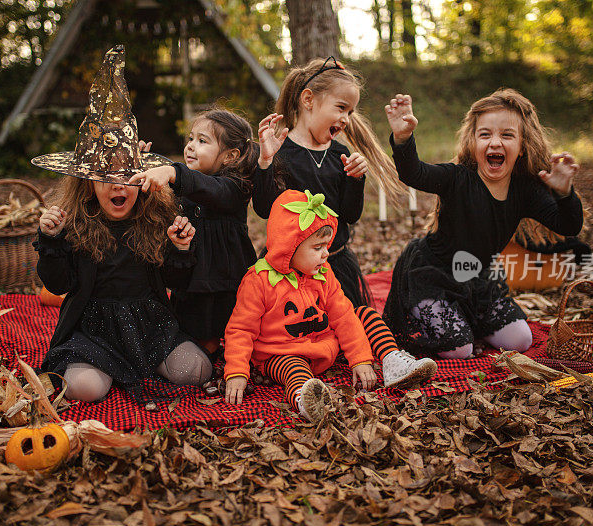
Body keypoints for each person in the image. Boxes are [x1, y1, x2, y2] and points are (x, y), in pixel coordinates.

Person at [30, 44, 213, 402]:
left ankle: (137, 365)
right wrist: (50, 240)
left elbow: (176, 281)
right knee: (86, 389)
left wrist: (180, 248)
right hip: (95, 327)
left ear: (142, 179)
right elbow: (59, 283)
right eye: (105, 177)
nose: (117, 185)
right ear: (87, 184)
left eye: (127, 176)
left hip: (149, 322)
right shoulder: (77, 224)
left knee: (197, 370)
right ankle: (101, 369)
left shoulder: (156, 218)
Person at [383, 89, 584, 359]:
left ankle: (466, 322)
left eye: (507, 135)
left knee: (520, 340)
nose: (495, 142)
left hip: (476, 276)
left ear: (522, 146)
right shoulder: (457, 178)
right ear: (473, 142)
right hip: (433, 273)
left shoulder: (525, 190)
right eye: (485, 134)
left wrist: (564, 193)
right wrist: (403, 137)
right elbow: (414, 173)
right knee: (460, 350)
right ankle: (438, 317)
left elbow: (568, 226)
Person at [223, 190, 437, 422]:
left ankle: (392, 360)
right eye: (317, 248)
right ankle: (305, 398)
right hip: (280, 353)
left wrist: (360, 358)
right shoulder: (258, 281)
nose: (326, 254)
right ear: (288, 247)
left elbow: (343, 315)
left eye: (326, 246)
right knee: (292, 366)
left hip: (323, 343)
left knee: (362, 313)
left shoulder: (323, 273)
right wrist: (236, 372)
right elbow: (241, 329)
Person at [251, 56, 407, 308]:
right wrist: (265, 162)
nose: (346, 118)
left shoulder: (339, 155)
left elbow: (350, 214)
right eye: (341, 107)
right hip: (290, 269)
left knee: (344, 331)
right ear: (308, 100)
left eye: (350, 112)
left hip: (334, 264)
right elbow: (264, 208)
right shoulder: (280, 150)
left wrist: (356, 180)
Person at [130, 108, 258, 359]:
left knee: (234, 322)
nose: (190, 146)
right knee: (192, 323)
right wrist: (144, 169)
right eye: (190, 138)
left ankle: (230, 345)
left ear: (230, 156)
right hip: (191, 272)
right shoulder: (185, 186)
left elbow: (211, 190)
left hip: (226, 277)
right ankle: (198, 343)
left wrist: (173, 172)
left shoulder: (236, 187)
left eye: (202, 141)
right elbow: (158, 205)